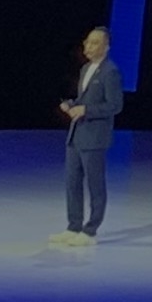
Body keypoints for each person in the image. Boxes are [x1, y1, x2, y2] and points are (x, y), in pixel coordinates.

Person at [55, 24, 121, 240]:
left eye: (94, 43)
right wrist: (72, 104)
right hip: (76, 135)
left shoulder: (110, 72)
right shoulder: (85, 69)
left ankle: (90, 230)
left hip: (94, 137)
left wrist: (86, 110)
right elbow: (85, 99)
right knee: (72, 183)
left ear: (106, 46)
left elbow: (115, 105)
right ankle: (73, 226)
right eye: (87, 42)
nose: (89, 47)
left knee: (95, 185)